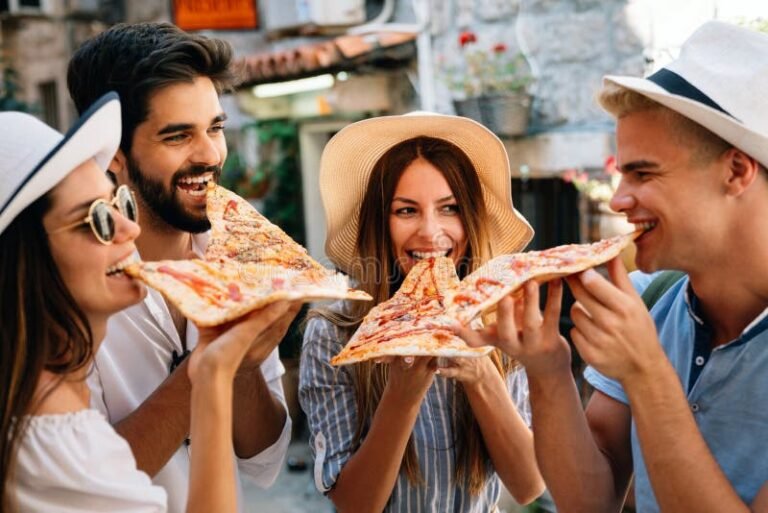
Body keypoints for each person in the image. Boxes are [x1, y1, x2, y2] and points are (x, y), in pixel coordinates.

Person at [459, 21, 768, 513]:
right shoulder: (650, 298)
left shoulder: (641, 330)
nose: (620, 200)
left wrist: (646, 370)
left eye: (644, 173)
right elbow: (590, 500)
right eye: (621, 174)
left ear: (736, 171)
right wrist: (549, 370)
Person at [0, 93, 293, 512]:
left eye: (119, 204)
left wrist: (215, 366)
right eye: (97, 220)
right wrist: (208, 372)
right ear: (25, 261)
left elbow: (264, 459)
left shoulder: (59, 400)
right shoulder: (44, 430)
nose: (128, 230)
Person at [66, 23, 298, 512]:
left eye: (215, 128)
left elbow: (264, 459)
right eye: (178, 136)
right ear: (116, 156)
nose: (210, 155)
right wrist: (211, 360)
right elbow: (89, 484)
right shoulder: (67, 286)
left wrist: (246, 365)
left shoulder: (239, 258)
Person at [298, 113, 544, 512]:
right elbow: (353, 504)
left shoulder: (500, 321)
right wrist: (401, 395)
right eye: (406, 211)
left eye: (449, 208)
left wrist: (481, 373)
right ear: (380, 223)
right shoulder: (335, 333)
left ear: (471, 218)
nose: (431, 232)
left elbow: (528, 484)